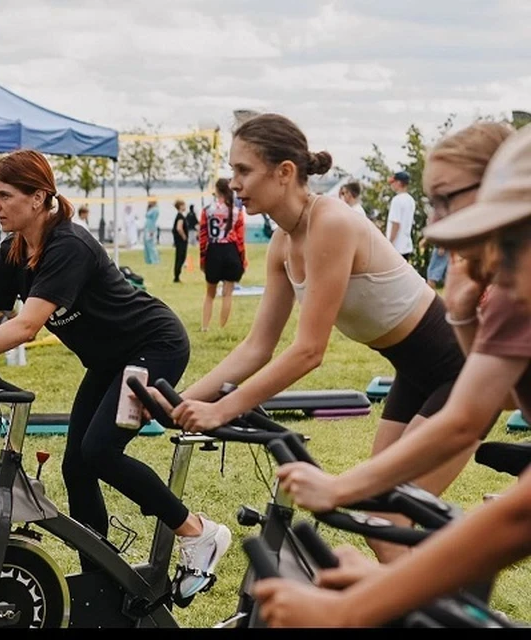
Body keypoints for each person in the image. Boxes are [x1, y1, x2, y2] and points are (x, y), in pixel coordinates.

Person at [0, 149, 232, 600]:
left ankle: (198, 532)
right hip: (109, 362)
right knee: (76, 467)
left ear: (38, 196)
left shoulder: (68, 245)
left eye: (4, 196)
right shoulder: (13, 250)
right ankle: (102, 581)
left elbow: (25, 327)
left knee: (100, 451)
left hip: (152, 348)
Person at [149, 113, 465, 563]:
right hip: (414, 374)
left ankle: (445, 593)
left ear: (284, 172)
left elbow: (309, 351)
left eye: (243, 170)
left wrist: (221, 408)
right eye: (233, 170)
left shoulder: (331, 223)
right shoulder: (282, 243)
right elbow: (257, 346)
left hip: (459, 372)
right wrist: (181, 402)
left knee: (388, 521)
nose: (234, 183)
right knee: (382, 522)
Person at [252, 123, 531, 628]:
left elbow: (512, 505)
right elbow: (500, 400)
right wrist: (462, 313)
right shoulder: (511, 289)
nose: (436, 223)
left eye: (445, 202)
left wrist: (349, 609)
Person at [198, 177, 246, 330]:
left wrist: (202, 258)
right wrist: (243, 258)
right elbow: (240, 239)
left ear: (217, 190)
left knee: (210, 294)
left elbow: (203, 236)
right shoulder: (237, 211)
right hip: (231, 250)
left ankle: (205, 326)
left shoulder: (207, 210)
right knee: (227, 293)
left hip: (214, 250)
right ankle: (222, 327)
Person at [387, 171, 416, 261]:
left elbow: (396, 223)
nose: (392, 185)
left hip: (396, 246)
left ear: (399, 183)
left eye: (393, 182)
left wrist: (390, 242)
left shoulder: (397, 200)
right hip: (406, 245)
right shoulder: (410, 200)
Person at [172, 199, 189, 283]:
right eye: (184, 205)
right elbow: (179, 228)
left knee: (180, 257)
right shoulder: (180, 217)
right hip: (181, 241)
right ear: (180, 206)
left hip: (179, 241)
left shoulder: (180, 216)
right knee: (180, 257)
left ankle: (177, 275)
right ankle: (176, 276)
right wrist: (184, 236)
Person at [143, 199, 160, 264]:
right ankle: (148, 259)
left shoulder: (155, 210)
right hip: (147, 227)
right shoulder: (151, 209)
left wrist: (152, 230)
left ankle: (154, 260)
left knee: (150, 244)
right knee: (146, 244)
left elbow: (154, 220)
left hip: (150, 227)